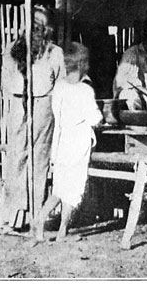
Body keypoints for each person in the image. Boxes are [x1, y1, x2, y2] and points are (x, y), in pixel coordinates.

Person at [0, 5, 66, 231]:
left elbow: (61, 83)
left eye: (41, 26)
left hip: (44, 103)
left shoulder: (55, 52)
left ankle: (34, 216)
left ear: (47, 29)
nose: (36, 30)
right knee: (16, 156)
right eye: (33, 25)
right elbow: (6, 80)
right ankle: (10, 215)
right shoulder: (13, 49)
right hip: (18, 102)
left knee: (39, 158)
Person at [35, 42, 103, 242]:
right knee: (73, 190)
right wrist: (101, 119)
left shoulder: (60, 87)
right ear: (82, 65)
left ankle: (40, 220)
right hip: (78, 145)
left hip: (62, 142)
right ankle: (62, 230)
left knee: (59, 189)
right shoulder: (84, 91)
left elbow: (57, 113)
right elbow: (95, 119)